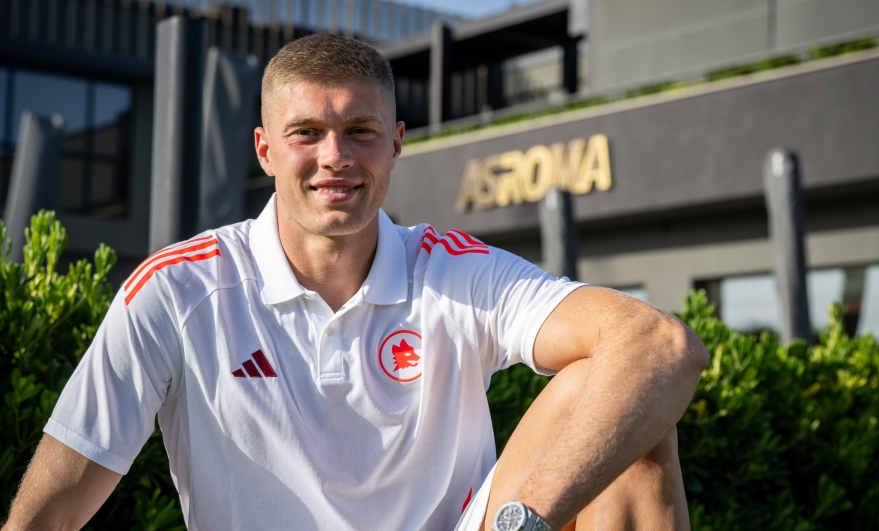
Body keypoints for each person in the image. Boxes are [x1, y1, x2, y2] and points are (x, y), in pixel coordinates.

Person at [1, 34, 708, 531]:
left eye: (361, 130)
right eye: (307, 131)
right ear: (266, 148)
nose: (335, 157)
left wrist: (526, 523)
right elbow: (53, 512)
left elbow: (657, 344)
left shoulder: (452, 269)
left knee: (624, 410)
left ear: (397, 142)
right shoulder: (178, 291)